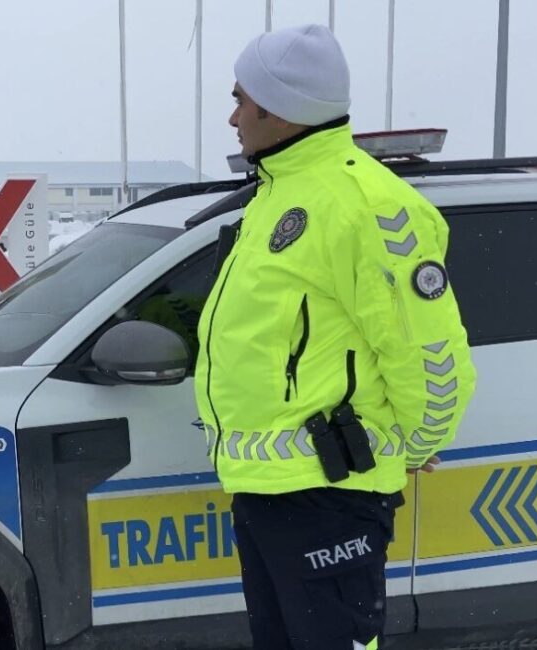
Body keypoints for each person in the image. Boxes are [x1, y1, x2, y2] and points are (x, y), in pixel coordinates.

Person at [194, 24, 476, 650]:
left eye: (242, 99)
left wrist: (413, 444)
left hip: (328, 494)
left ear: (283, 107)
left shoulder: (366, 206)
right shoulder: (277, 195)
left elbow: (429, 351)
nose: (233, 117)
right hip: (266, 491)